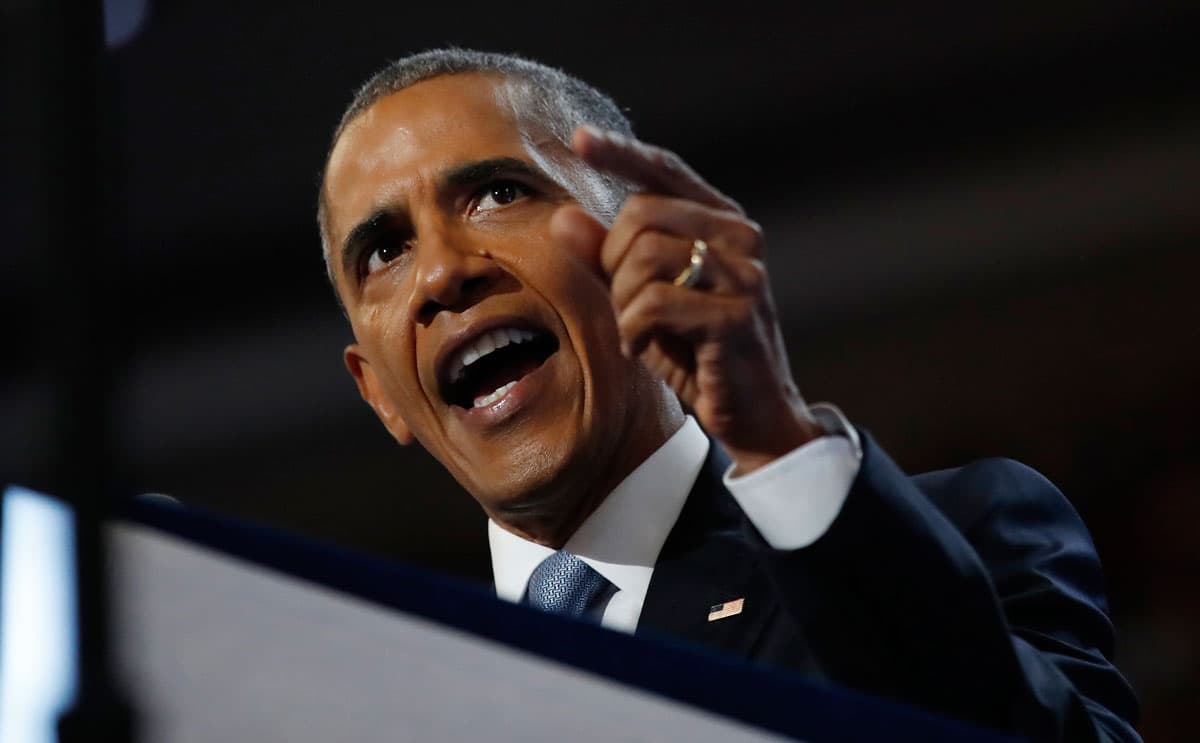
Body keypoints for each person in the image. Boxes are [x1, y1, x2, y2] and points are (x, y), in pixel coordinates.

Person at [316, 49, 1139, 740]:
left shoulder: (953, 542)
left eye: (499, 192)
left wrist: (781, 443)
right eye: (385, 249)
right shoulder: (388, 714)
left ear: (654, 240)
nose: (441, 271)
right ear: (379, 392)